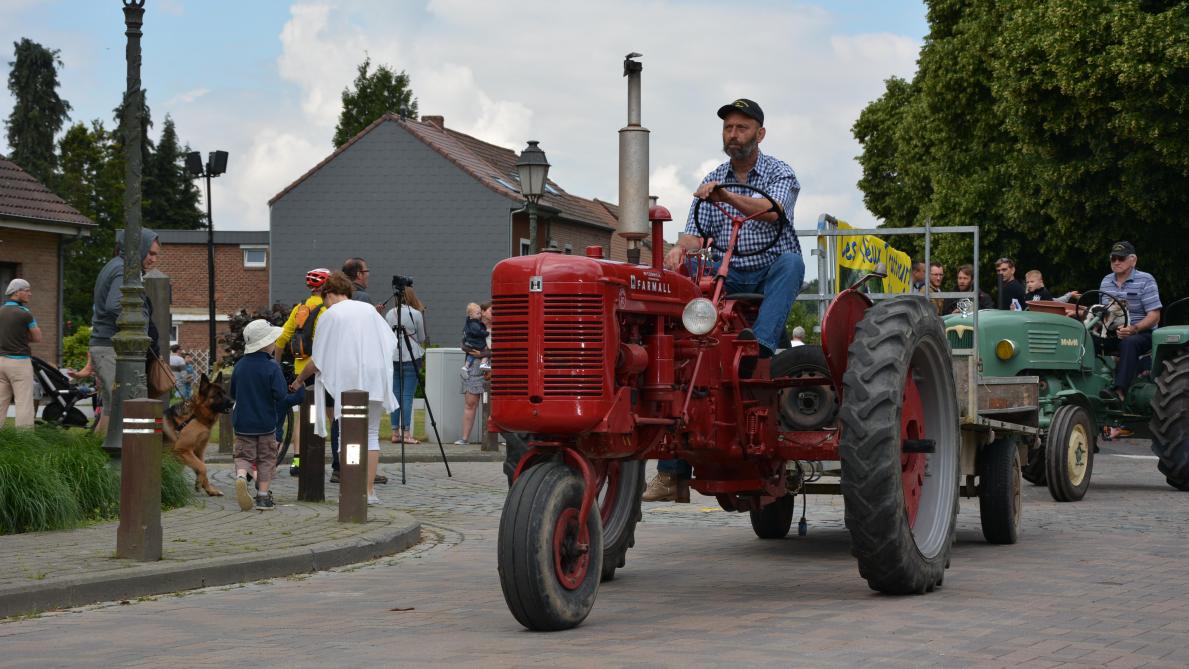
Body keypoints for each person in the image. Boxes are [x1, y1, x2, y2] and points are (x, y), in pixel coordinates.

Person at [652, 97, 805, 502]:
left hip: (770, 265)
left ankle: (760, 346)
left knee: (793, 263)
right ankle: (671, 470)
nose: (733, 135)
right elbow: (694, 231)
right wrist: (678, 250)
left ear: (760, 133)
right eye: (728, 128)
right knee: (685, 285)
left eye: (741, 128)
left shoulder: (779, 173)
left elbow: (771, 211)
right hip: (729, 268)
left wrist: (725, 198)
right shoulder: (713, 177)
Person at [292, 272, 399, 505]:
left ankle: (352, 488)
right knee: (371, 435)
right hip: (375, 377)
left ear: (328, 293)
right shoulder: (369, 311)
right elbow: (391, 342)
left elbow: (318, 358)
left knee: (347, 435)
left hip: (349, 379)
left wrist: (300, 379)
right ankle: (369, 491)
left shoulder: (332, 315)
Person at [89, 228, 160, 436]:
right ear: (139, 249)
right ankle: (121, 459)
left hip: (107, 345)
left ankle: (95, 456)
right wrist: (140, 325)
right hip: (112, 347)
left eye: (156, 255)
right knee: (123, 405)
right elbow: (115, 305)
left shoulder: (116, 266)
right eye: (151, 253)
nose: (154, 259)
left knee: (112, 407)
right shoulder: (123, 269)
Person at [274, 268, 330, 477]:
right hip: (321, 370)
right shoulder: (326, 311)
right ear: (325, 287)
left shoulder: (300, 308)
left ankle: (297, 460)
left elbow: (281, 340)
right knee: (326, 415)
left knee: (303, 417)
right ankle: (329, 460)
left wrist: (276, 366)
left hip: (300, 371)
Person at [230, 319, 288, 511]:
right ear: (265, 344)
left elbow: (232, 392)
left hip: (242, 422)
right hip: (265, 423)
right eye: (272, 341)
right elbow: (280, 394)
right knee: (265, 459)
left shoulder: (239, 366)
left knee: (243, 455)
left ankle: (240, 476)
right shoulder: (272, 367)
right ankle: (263, 497)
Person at [1097, 241, 1161, 402]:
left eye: (1121, 258)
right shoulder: (1106, 281)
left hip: (1141, 333)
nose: (1117, 262)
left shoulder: (1146, 280)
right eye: (1113, 258)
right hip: (1112, 333)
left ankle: (1119, 391)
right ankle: (1086, 385)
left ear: (1133, 260)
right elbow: (1101, 311)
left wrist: (1134, 328)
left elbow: (1154, 315)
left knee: (1129, 343)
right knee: (1085, 339)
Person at [386, 285, 426, 445]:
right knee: (407, 395)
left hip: (394, 355)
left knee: (395, 394)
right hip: (411, 355)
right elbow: (422, 337)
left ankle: (395, 432)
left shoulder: (390, 313)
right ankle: (406, 432)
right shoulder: (416, 314)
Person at [0, 279, 42, 427]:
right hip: (19, 363)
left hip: (1, 362)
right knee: (23, 402)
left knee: (0, 401)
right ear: (17, 292)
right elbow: (37, 337)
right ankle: (24, 439)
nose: (30, 294)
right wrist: (23, 337)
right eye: (27, 290)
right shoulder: (25, 313)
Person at [457, 301, 492, 446]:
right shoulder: (473, 326)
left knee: (493, 404)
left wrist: (483, 353)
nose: (495, 313)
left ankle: (495, 440)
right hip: (474, 367)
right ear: (483, 311)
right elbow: (464, 345)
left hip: (492, 367)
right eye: (492, 310)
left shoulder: (501, 328)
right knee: (470, 402)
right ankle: (464, 438)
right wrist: (477, 354)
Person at [459, 302, 490, 380]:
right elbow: (463, 344)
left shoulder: (471, 323)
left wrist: (480, 353)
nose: (479, 315)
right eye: (478, 313)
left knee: (472, 355)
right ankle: (482, 363)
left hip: (474, 350)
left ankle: (466, 366)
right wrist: (486, 333)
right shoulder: (475, 324)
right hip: (474, 369)